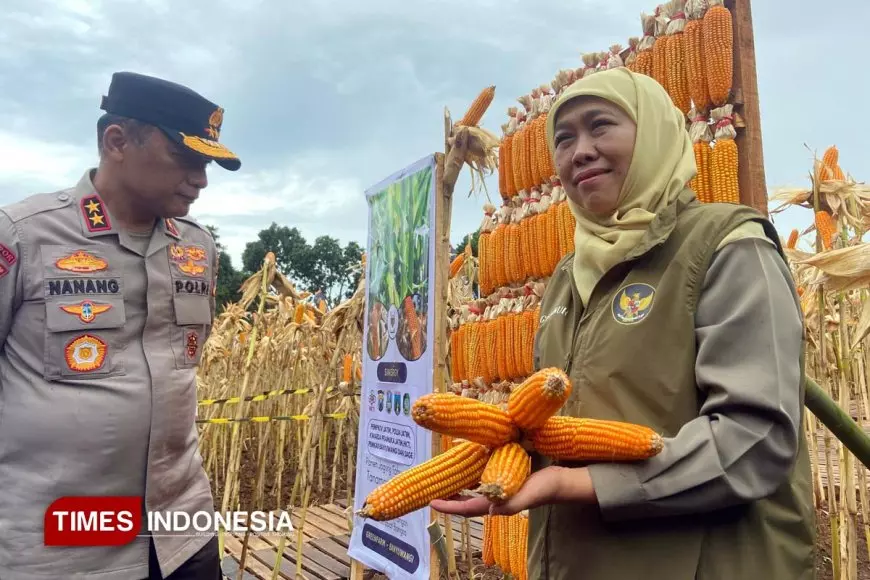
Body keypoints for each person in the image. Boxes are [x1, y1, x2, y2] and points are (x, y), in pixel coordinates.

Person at [431, 67, 815, 579]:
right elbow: (558, 427)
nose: (580, 151)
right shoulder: (569, 277)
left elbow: (753, 441)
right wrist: (491, 463)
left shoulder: (728, 248)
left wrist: (575, 486)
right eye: (563, 139)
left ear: (653, 131)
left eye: (601, 126)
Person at [0, 71, 242, 579]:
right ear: (117, 142)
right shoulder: (21, 235)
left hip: (182, 532)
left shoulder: (197, 247)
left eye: (208, 164)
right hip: (59, 547)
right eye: (187, 157)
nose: (200, 178)